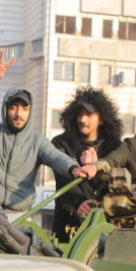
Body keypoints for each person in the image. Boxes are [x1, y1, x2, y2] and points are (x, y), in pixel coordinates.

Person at [0, 51, 97, 220]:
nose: (19, 114)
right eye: (13, 107)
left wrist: (74, 168)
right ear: (5, 110)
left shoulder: (37, 141)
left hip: (19, 217)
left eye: (24, 108)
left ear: (30, 111)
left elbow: (55, 157)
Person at [50, 86, 123, 242]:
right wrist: (79, 203)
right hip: (66, 225)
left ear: (102, 119)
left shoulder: (115, 148)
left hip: (104, 226)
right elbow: (63, 178)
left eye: (89, 114)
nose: (83, 120)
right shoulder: (61, 143)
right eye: (80, 114)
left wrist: (97, 166)